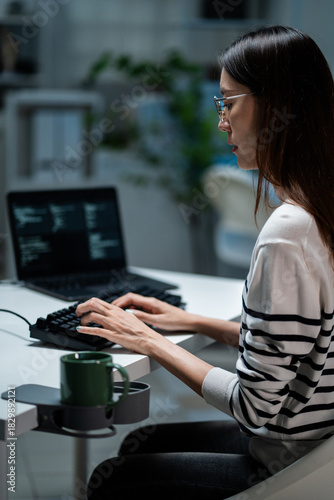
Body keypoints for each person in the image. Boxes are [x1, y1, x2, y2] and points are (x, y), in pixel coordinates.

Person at [76, 25, 334, 499]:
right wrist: (192, 321)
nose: (222, 122)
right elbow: (294, 346)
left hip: (286, 464)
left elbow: (254, 405)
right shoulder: (323, 210)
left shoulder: (288, 234)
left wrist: (148, 340)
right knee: (138, 442)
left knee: (109, 481)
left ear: (275, 105)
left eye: (228, 103)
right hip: (312, 448)